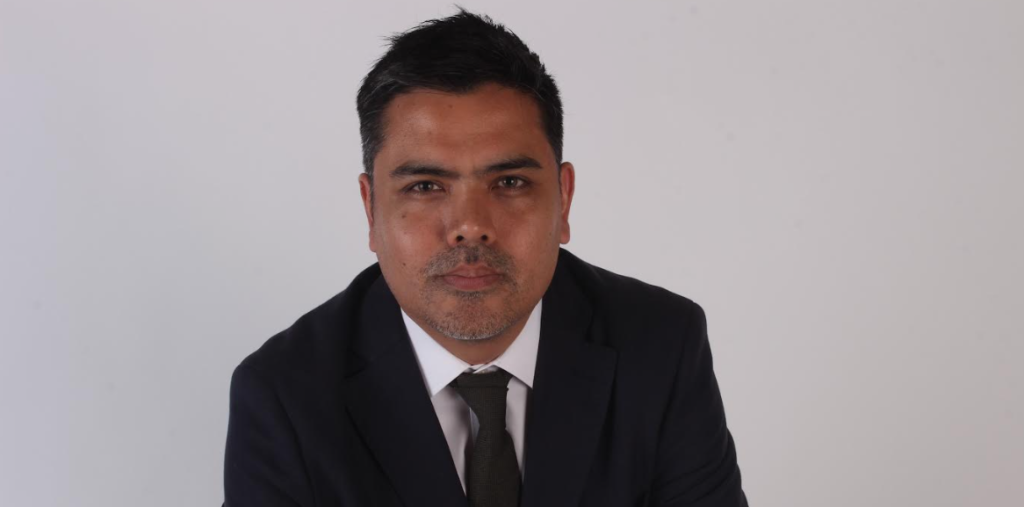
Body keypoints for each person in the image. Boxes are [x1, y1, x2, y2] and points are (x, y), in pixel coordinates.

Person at [223, 9, 748, 507]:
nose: (470, 226)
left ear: (564, 199)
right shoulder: (284, 397)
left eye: (510, 182)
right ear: (371, 209)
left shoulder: (661, 346)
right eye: (425, 185)